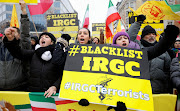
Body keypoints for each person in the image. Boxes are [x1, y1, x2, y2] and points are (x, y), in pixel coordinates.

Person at [3, 31, 68, 98]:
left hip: (52, 94)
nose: (43, 38)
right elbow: (18, 52)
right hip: (33, 93)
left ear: (52, 42)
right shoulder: (34, 53)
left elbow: (63, 73)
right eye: (41, 37)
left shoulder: (57, 55)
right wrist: (10, 40)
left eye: (46, 37)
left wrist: (55, 86)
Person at [128, 15, 180, 94]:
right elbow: (129, 38)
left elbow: (171, 71)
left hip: (160, 91)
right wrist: (137, 23)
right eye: (148, 34)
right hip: (139, 91)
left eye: (153, 34)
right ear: (143, 37)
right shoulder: (137, 47)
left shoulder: (165, 51)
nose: (151, 36)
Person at [0, 0, 31, 91]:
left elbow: (25, 33)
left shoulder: (22, 47)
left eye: (14, 32)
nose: (11, 34)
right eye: (9, 31)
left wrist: (24, 11)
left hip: (18, 88)